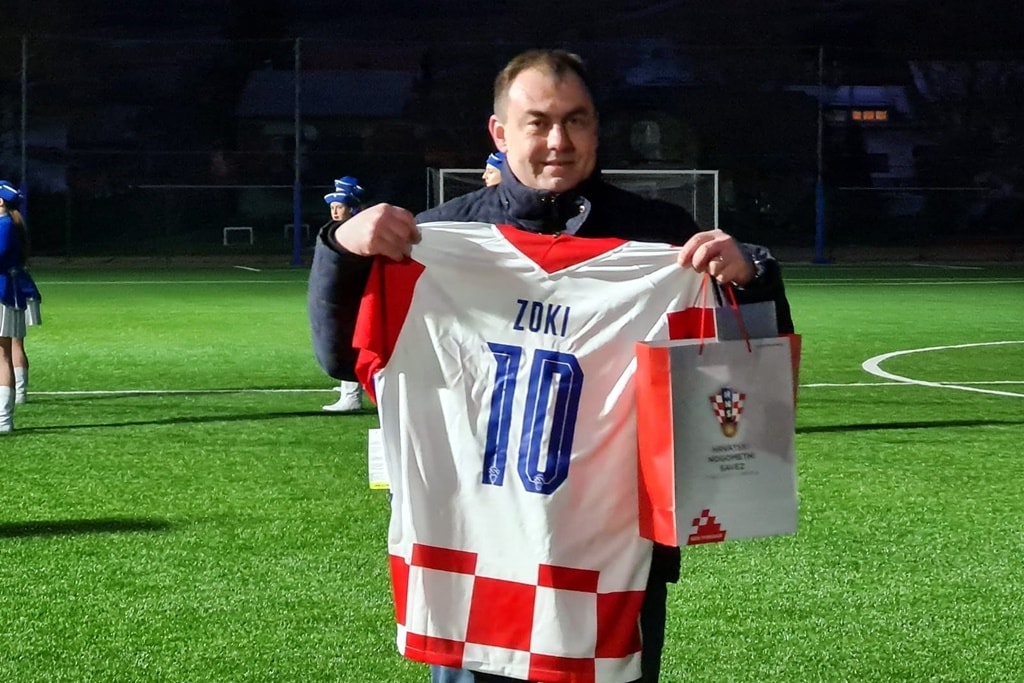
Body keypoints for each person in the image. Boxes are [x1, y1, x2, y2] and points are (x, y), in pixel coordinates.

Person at [308, 49, 793, 682]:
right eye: (537, 122)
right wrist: (340, 249)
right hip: (470, 554)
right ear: (500, 132)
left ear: (597, 128)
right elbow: (341, 357)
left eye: (576, 120)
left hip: (611, 561)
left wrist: (752, 281)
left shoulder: (663, 241)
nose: (558, 141)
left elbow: (744, 382)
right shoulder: (431, 244)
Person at [318, 176, 368, 413]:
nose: (334, 211)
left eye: (340, 206)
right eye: (333, 207)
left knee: (352, 342)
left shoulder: (355, 231)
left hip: (358, 295)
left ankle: (351, 396)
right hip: (351, 294)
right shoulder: (344, 229)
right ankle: (351, 389)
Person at [0, 181, 40, 432]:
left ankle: (4, 419)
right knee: (6, 351)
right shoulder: (8, 224)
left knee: (4, 353)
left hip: (3, 292)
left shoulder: (4, 225)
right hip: (7, 291)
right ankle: (5, 417)